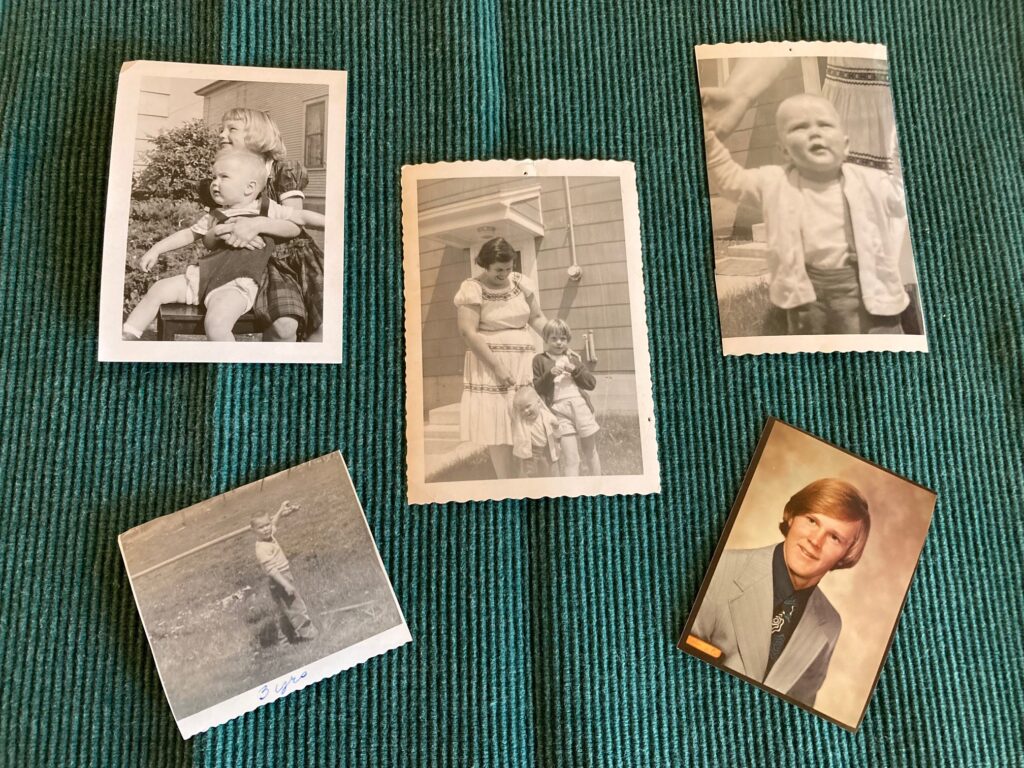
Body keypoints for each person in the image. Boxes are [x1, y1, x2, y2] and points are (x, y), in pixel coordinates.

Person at [703, 92, 908, 335]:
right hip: (808, 291)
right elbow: (730, 181)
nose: (815, 132)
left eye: (824, 124)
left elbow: (901, 195)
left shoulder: (871, 181)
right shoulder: (775, 182)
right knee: (812, 341)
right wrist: (708, 138)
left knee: (878, 340)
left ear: (845, 145)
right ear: (785, 152)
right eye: (800, 127)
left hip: (865, 285)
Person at [686, 478, 871, 708]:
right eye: (812, 521)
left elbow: (799, 705)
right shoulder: (721, 569)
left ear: (846, 554)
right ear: (792, 516)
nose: (815, 541)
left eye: (834, 537)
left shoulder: (830, 625)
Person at [122, 149, 321, 341]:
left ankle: (229, 368)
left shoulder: (267, 209)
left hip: (234, 284)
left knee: (216, 324)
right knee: (159, 288)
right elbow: (188, 234)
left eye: (223, 177)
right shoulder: (215, 215)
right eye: (214, 177)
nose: (215, 183)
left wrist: (334, 223)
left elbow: (300, 216)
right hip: (201, 277)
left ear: (249, 187)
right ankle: (129, 334)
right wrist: (156, 249)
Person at [212, 108, 326, 342]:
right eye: (221, 130)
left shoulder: (282, 171)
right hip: (258, 259)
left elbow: (294, 225)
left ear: (257, 135)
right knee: (283, 327)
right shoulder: (224, 174)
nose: (222, 135)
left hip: (296, 256)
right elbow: (213, 226)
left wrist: (257, 225)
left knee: (327, 323)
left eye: (231, 129)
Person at [454, 237, 548, 478]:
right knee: (499, 424)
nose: (505, 274)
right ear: (485, 265)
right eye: (499, 270)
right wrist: (497, 367)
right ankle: (505, 481)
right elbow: (467, 332)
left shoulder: (520, 283)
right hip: (491, 363)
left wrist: (557, 337)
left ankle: (527, 476)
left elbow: (536, 317)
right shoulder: (472, 288)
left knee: (527, 418)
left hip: (522, 363)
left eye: (509, 268)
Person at [532, 319, 601, 476]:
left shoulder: (573, 358)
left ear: (567, 340)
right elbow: (537, 388)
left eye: (562, 338)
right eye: (554, 338)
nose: (558, 342)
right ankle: (572, 494)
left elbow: (591, 384)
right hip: (558, 410)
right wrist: (550, 375)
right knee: (571, 458)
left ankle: (598, 487)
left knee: (590, 450)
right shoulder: (539, 360)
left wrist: (575, 370)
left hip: (580, 407)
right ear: (546, 339)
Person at [251, 500, 318, 646]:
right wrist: (286, 584)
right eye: (261, 527)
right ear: (254, 531)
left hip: (283, 576)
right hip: (279, 579)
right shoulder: (262, 548)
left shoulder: (269, 537)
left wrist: (280, 510)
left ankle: (285, 640)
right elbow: (272, 570)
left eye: (267, 525)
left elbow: (274, 524)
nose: (266, 529)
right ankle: (310, 635)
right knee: (296, 607)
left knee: (286, 609)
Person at [510, 385, 562, 478]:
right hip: (531, 453)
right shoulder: (521, 420)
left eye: (528, 406)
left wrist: (556, 427)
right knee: (530, 475)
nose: (525, 411)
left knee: (551, 473)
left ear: (538, 402)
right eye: (522, 409)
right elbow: (512, 409)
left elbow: (558, 435)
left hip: (547, 451)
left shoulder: (547, 417)